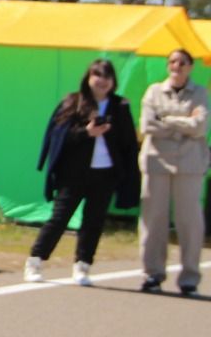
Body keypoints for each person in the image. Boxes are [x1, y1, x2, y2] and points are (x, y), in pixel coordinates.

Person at [24, 59, 140, 287]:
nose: (102, 81)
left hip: (105, 174)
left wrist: (126, 172)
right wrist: (86, 132)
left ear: (113, 81)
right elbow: (58, 136)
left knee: (94, 221)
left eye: (107, 77)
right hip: (74, 174)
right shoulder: (74, 102)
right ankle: (35, 261)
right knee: (59, 218)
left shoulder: (120, 106)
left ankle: (83, 265)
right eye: (98, 75)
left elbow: (128, 143)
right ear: (88, 78)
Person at [137, 48, 207, 294]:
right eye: (172, 62)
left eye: (182, 62)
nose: (177, 66)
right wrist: (183, 123)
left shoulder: (200, 93)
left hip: (189, 164)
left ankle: (189, 278)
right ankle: (152, 274)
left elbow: (200, 127)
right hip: (156, 162)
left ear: (190, 67)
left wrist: (167, 119)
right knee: (153, 219)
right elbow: (147, 124)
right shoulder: (154, 91)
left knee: (190, 222)